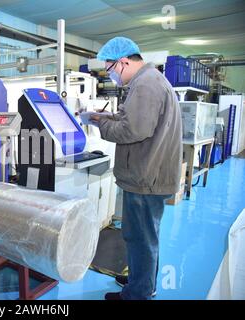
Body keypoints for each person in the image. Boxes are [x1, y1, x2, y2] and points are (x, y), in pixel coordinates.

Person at [92, 37, 182, 300]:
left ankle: (138, 293)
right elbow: (134, 119)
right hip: (149, 173)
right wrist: (105, 116)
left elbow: (134, 129)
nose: (112, 78)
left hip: (145, 176)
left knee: (140, 237)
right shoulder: (150, 80)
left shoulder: (145, 85)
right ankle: (141, 280)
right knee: (144, 235)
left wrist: (101, 125)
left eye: (110, 71)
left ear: (123, 62)